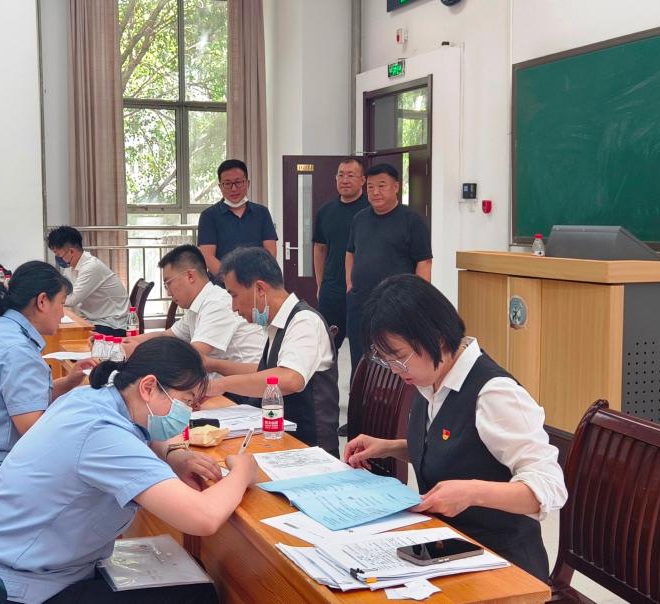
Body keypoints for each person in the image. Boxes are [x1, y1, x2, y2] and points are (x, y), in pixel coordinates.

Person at [0, 337, 257, 603]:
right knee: (196, 594)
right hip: (7, 590)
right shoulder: (103, 434)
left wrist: (173, 454)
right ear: (149, 387)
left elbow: (142, 434)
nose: (186, 413)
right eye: (185, 401)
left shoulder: (91, 398)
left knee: (186, 578)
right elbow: (203, 517)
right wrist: (243, 470)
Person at [343, 275, 567, 583]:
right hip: (445, 548)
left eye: (400, 357)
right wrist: (389, 447)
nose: (395, 370)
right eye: (386, 360)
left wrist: (472, 493)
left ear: (436, 338)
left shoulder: (494, 393)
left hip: (502, 565)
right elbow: (458, 449)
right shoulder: (430, 379)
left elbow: (551, 487)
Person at [0, 261, 96, 508]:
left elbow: (23, 401)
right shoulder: (17, 349)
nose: (63, 313)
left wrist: (69, 381)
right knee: (83, 495)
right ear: (42, 302)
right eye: (61, 303)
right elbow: (33, 429)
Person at [206, 247, 339, 456]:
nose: (233, 307)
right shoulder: (277, 324)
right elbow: (265, 371)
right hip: (281, 441)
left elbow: (289, 379)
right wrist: (214, 367)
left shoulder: (304, 321)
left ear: (259, 289)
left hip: (309, 449)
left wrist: (220, 385)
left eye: (234, 295)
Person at [345, 163, 433, 374]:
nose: (375, 192)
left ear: (396, 187)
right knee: (360, 358)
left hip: (396, 305)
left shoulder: (412, 221)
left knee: (393, 359)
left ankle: (390, 396)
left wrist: (417, 299)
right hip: (361, 302)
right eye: (371, 187)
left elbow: (424, 262)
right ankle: (360, 395)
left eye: (382, 186)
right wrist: (350, 284)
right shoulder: (359, 219)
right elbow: (350, 253)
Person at [121, 245, 265, 372]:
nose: (168, 293)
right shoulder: (198, 305)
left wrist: (138, 350)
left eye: (168, 284)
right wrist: (124, 342)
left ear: (190, 276)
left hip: (247, 385)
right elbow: (166, 335)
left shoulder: (216, 303)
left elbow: (191, 357)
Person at [312, 157, 369, 350]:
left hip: (362, 289)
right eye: (341, 175)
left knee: (362, 346)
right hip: (332, 289)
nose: (345, 180)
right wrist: (320, 285)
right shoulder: (326, 211)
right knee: (325, 346)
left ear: (362, 180)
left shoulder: (370, 210)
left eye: (351, 175)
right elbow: (320, 248)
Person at [196, 159, 278, 276]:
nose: (234, 188)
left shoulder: (262, 212)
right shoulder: (208, 216)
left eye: (238, 182)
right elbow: (208, 257)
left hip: (257, 281)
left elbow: (270, 252)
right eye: (228, 183)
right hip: (222, 284)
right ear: (220, 187)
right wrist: (232, 282)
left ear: (247, 183)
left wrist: (255, 280)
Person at [47, 225, 130, 336]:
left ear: (71, 251)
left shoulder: (91, 267)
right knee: (57, 329)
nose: (57, 258)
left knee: (64, 334)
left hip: (113, 325)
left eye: (58, 254)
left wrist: (48, 300)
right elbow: (62, 290)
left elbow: (72, 300)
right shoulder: (71, 267)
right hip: (95, 320)